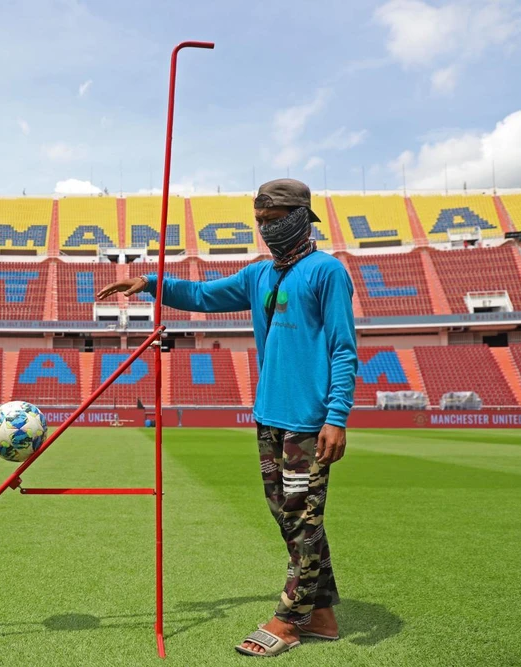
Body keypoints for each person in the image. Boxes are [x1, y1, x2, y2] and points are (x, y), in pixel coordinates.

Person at [96, 178, 357, 658]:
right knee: (288, 516)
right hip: (268, 416)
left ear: (301, 216)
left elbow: (343, 349)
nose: (266, 230)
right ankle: (320, 613)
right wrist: (151, 282)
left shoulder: (327, 272)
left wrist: (336, 416)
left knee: (303, 518)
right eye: (260, 222)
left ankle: (290, 619)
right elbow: (201, 295)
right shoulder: (260, 275)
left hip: (307, 419)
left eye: (274, 222)